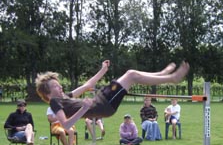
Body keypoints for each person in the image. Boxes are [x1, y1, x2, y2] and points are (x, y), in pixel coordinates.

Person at [35, 60, 189, 130]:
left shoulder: (64, 97)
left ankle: (161, 74)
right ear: (48, 94)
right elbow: (66, 125)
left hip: (102, 97)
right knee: (132, 75)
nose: (60, 86)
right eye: (55, 86)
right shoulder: (55, 103)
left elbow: (87, 85)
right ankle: (171, 78)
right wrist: (83, 110)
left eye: (58, 83)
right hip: (104, 105)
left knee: (131, 74)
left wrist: (103, 70)